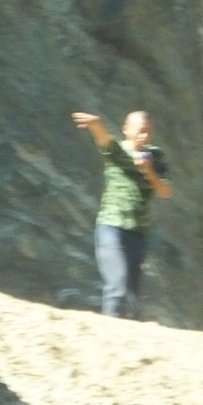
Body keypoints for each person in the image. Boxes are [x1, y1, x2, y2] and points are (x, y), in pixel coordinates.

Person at [70, 109, 173, 318]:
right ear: (126, 129)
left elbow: (165, 191)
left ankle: (132, 333)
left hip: (138, 231)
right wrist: (96, 124)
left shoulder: (155, 156)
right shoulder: (119, 151)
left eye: (148, 131)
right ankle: (110, 330)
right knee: (117, 284)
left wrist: (149, 170)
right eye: (141, 130)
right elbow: (105, 140)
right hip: (111, 227)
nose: (145, 135)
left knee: (133, 294)